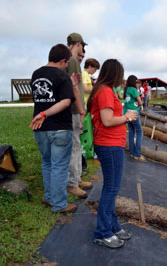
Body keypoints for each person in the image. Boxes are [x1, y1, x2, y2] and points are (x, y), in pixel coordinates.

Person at [87, 59, 138, 248]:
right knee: (111, 188)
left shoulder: (104, 90)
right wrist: (127, 117)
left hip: (111, 144)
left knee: (112, 187)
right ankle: (102, 232)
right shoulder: (106, 92)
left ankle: (113, 225)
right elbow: (107, 120)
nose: (122, 78)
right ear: (114, 74)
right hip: (108, 145)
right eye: (120, 74)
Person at [30, 44, 78, 213]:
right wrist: (45, 113)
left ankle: (49, 197)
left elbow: (45, 95)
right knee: (59, 166)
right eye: (67, 63)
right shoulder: (62, 76)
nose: (66, 66)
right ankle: (59, 204)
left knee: (47, 163)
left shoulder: (36, 74)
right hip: (59, 128)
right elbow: (65, 102)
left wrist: (42, 114)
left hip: (40, 128)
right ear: (63, 60)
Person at [66, 32, 93, 198]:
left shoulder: (67, 60)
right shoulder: (73, 61)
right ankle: (72, 183)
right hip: (74, 111)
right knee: (75, 147)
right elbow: (75, 88)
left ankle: (76, 178)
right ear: (77, 44)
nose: (82, 49)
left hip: (72, 110)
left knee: (76, 145)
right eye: (82, 46)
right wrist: (81, 110)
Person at [123, 75, 146, 162]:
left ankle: (132, 153)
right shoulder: (134, 90)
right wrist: (141, 103)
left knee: (131, 132)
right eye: (136, 82)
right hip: (134, 113)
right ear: (133, 82)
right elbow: (140, 102)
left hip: (127, 114)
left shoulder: (126, 89)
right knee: (139, 132)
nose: (137, 83)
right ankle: (137, 154)